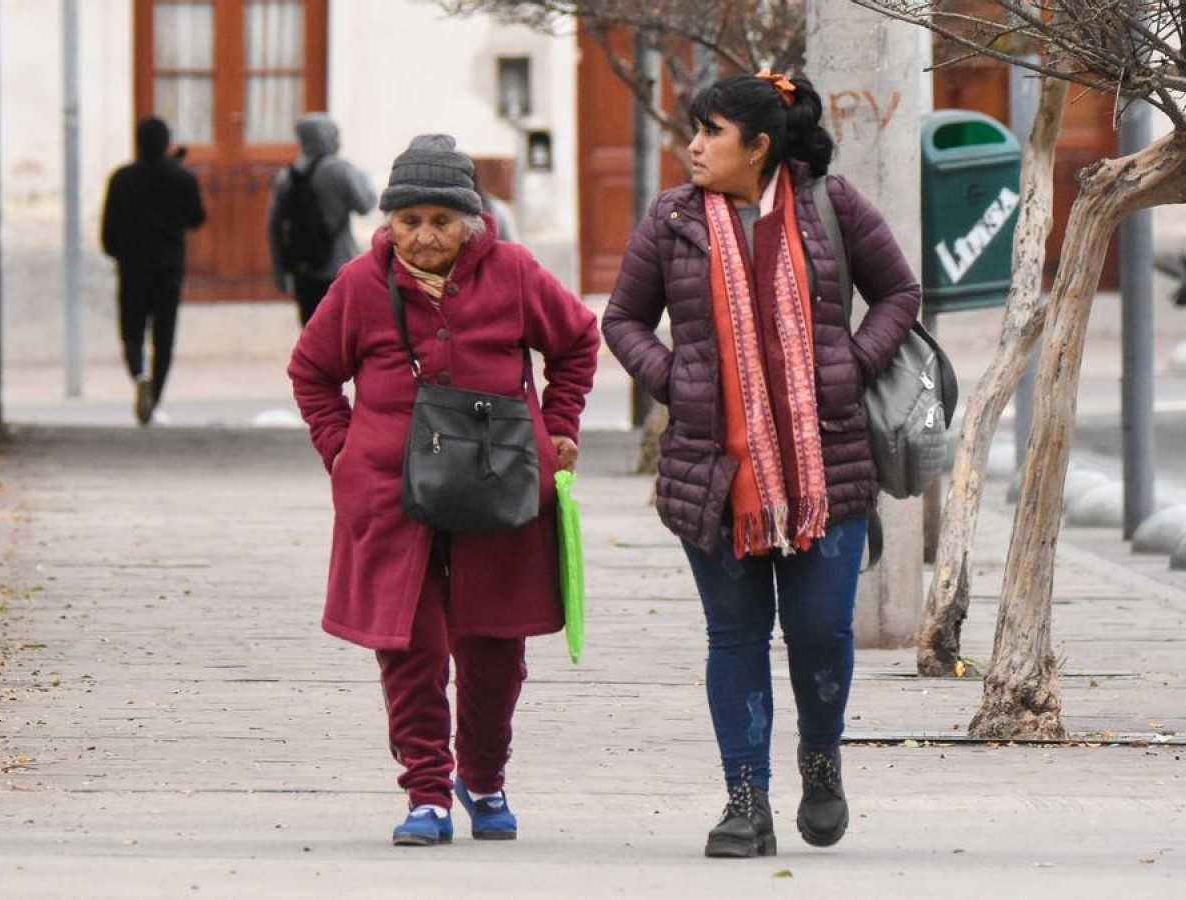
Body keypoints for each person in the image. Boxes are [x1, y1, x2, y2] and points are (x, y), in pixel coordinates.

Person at [602, 72, 921, 859]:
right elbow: (622, 319)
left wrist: (851, 361)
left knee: (819, 629)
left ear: (760, 145)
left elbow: (899, 294)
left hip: (828, 471)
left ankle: (820, 761)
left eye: (710, 132)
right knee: (736, 636)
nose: (694, 147)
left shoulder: (831, 205)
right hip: (713, 476)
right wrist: (674, 376)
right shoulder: (671, 220)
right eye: (693, 132)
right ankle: (745, 801)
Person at [287, 134, 598, 847]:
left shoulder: (513, 272)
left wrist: (559, 425)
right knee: (410, 645)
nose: (424, 237)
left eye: (441, 221)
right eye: (408, 221)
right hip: (391, 495)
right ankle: (427, 791)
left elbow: (578, 340)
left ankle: (484, 778)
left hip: (501, 485)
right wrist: (341, 450)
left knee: (494, 647)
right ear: (388, 222)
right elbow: (311, 373)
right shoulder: (361, 285)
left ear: (473, 222)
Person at [99, 116, 206, 426]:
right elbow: (197, 217)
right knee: (164, 333)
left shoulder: (121, 178)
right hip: (168, 268)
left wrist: (120, 252)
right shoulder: (180, 177)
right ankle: (155, 396)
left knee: (132, 330)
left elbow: (108, 234)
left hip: (132, 268)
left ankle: (138, 374)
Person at [269, 112, 377, 326]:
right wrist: (365, 178)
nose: (339, 141)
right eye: (335, 135)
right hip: (339, 266)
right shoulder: (339, 169)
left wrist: (279, 271)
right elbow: (365, 205)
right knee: (342, 331)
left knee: (312, 331)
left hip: (304, 269)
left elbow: (273, 226)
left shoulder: (288, 175)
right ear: (326, 136)